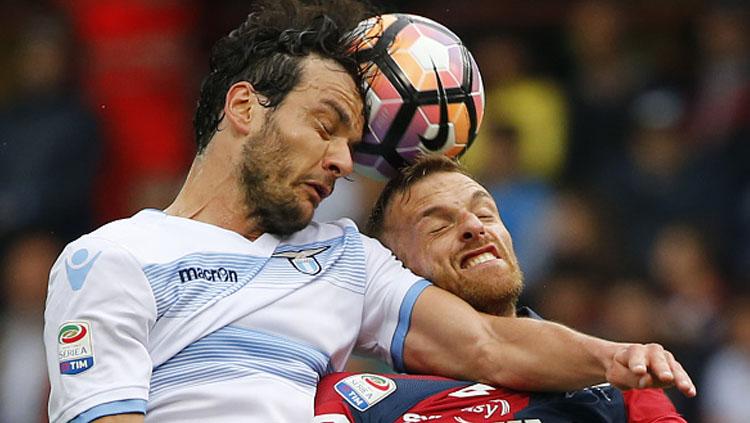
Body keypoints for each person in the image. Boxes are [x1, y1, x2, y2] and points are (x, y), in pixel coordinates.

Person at [43, 1, 694, 422]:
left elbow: (488, 344)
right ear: (244, 108)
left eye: (352, 143)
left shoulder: (345, 255)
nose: (339, 160)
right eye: (325, 126)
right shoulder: (111, 257)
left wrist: (615, 358)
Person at [314, 155, 686, 422]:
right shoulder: (358, 399)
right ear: (395, 272)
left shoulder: (614, 379)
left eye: (486, 213)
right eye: (438, 226)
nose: (475, 227)